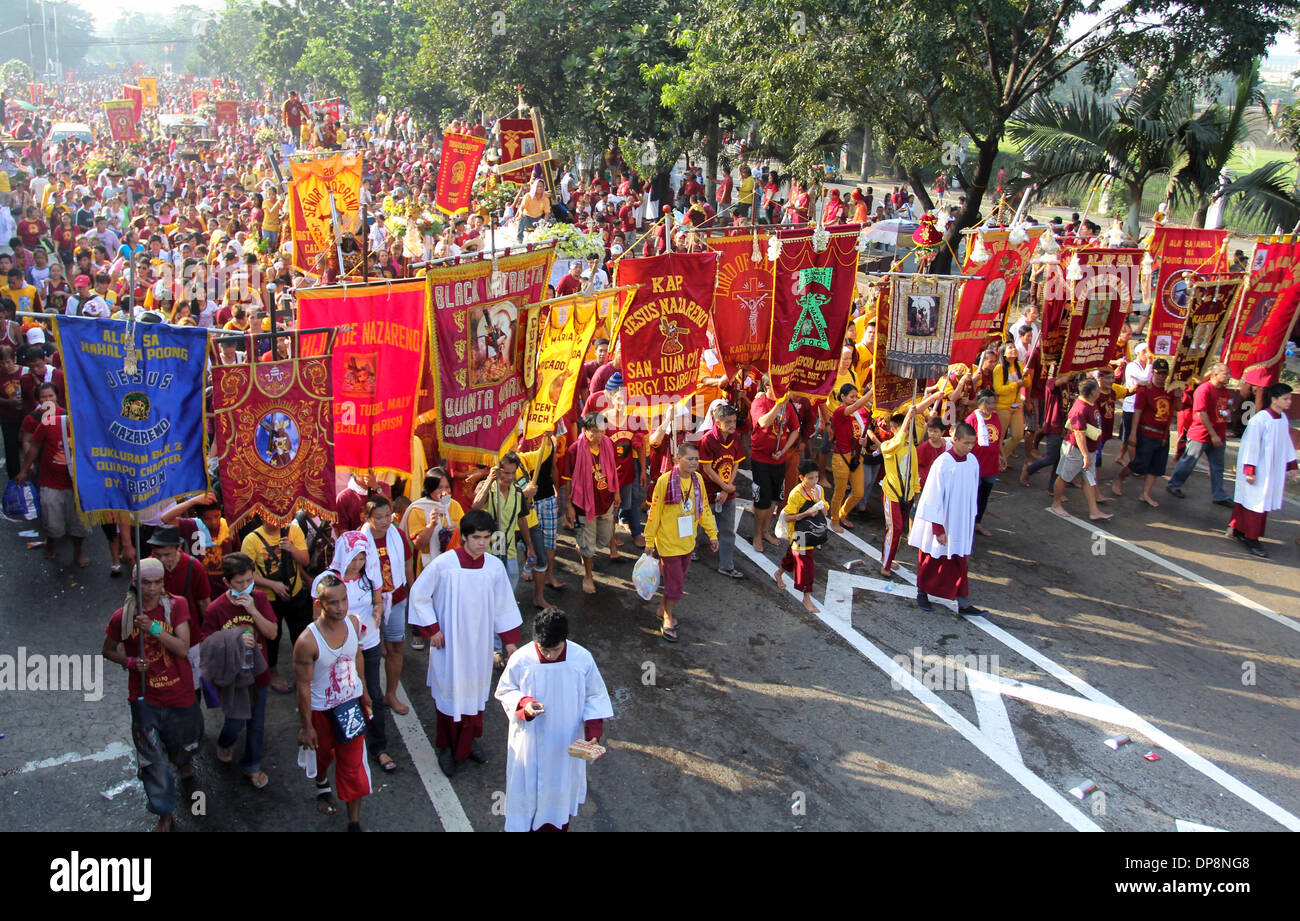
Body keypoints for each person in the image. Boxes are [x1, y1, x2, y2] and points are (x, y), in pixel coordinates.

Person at [409, 509, 523, 776]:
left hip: (479, 645)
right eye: (476, 538)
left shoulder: (494, 567)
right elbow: (419, 595)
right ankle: (447, 748)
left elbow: (504, 606)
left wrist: (509, 644)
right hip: (449, 646)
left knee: (473, 694)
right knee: (450, 696)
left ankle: (468, 742)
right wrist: (433, 629)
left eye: (486, 538)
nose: (482, 543)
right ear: (464, 538)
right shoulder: (444, 564)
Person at [101, 558, 199, 832]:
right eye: (146, 582)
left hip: (179, 692)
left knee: (187, 742)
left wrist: (154, 629)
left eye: (157, 582)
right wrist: (130, 663)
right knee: (152, 761)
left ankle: (183, 762)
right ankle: (164, 813)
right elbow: (107, 650)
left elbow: (182, 648)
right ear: (135, 582)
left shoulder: (177, 606)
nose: (152, 588)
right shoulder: (122, 616)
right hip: (144, 699)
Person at [495, 609, 614, 832]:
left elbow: (595, 696)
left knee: (557, 805)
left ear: (564, 639)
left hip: (564, 744)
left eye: (556, 649)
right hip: (529, 744)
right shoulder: (522, 659)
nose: (550, 655)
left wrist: (593, 733)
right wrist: (524, 704)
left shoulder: (582, 659)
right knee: (525, 801)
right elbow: (505, 690)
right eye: (544, 650)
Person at [295, 573, 372, 831]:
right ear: (320, 604)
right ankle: (321, 782)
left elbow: (357, 654)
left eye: (344, 600)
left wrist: (365, 691)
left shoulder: (352, 622)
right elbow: (303, 685)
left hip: (351, 707)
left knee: (352, 766)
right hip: (322, 712)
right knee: (323, 757)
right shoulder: (307, 641)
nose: (341, 608)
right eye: (333, 603)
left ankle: (354, 822)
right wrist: (307, 727)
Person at [201, 552, 278, 789]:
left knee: (256, 724)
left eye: (248, 581)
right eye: (239, 583)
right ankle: (225, 742)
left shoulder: (260, 599)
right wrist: (235, 639)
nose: (245, 587)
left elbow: (272, 633)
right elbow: (207, 643)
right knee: (235, 722)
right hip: (233, 678)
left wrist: (254, 611)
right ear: (227, 583)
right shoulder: (216, 609)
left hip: (258, 674)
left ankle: (252, 765)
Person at [643, 440, 718, 642]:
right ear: (677, 459)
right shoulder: (665, 481)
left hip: (688, 543)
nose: (694, 463)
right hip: (668, 544)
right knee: (675, 585)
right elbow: (654, 513)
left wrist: (712, 534)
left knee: (675, 582)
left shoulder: (698, 480)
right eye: (689, 459)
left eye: (696, 459)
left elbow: (704, 509)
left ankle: (662, 607)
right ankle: (667, 618)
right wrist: (649, 540)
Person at [908, 422, 985, 616]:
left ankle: (963, 602)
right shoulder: (943, 463)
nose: (969, 447)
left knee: (960, 560)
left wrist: (970, 519)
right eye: (966, 443)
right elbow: (933, 496)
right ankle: (922, 592)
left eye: (972, 443)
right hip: (942, 520)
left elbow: (972, 492)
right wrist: (938, 528)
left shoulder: (972, 461)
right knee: (931, 558)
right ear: (955, 439)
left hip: (960, 521)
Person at [15, 381, 88, 567]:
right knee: (53, 524)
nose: (48, 400)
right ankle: (52, 543)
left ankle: (78, 553)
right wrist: (24, 470)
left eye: (51, 396)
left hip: (77, 484)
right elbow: (34, 447)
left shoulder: (83, 423)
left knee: (78, 525)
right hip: (50, 483)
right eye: (44, 397)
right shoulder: (45, 422)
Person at [241, 516, 312, 693]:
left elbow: (305, 560)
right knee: (272, 637)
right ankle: (272, 671)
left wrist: (292, 548)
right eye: (268, 515)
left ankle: (302, 671)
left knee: (301, 633)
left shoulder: (292, 531)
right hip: (268, 599)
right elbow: (246, 573)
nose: (274, 520)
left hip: (295, 594)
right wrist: (272, 585)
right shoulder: (251, 540)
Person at [360, 495, 415, 716]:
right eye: (379, 517)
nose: (385, 521)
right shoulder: (359, 539)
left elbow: (407, 563)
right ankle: (366, 696)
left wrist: (414, 592)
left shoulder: (398, 534)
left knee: (395, 647)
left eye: (388, 516)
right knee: (366, 652)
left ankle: (391, 694)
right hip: (367, 604)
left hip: (397, 598)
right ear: (367, 518)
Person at [1228, 383, 1297, 558]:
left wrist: (1292, 467)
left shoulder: (1282, 419)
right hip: (1259, 469)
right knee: (1254, 502)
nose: (1289, 402)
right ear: (1274, 399)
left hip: (1273, 470)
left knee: (1260, 502)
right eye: (1285, 398)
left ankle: (1239, 531)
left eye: (1290, 398)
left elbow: (1287, 444)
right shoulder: (1260, 420)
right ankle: (1251, 539)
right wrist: (1250, 470)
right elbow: (1251, 445)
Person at [559, 413, 621, 595]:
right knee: (588, 546)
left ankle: (584, 546)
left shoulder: (608, 444)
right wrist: (568, 506)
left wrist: (616, 493)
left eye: (602, 431)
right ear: (584, 430)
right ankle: (588, 575)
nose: (599, 436)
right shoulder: (575, 450)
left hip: (606, 501)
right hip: (582, 505)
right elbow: (568, 480)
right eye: (594, 432)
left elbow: (613, 473)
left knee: (602, 540)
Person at [1164, 362, 1233, 506]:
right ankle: (1174, 484)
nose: (1228, 377)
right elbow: (1201, 413)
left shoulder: (1224, 391)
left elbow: (1224, 409)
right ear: (1215, 374)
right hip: (1201, 434)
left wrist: (1226, 416)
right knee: (1189, 461)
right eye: (1225, 374)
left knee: (1217, 466)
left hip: (1218, 434)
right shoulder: (1204, 389)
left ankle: (1219, 494)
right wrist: (1212, 434)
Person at [1111, 359, 1175, 508]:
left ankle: (1145, 493)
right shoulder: (1145, 389)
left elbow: (1177, 407)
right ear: (1153, 372)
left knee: (1156, 467)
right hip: (1146, 433)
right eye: (1159, 373)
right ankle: (1119, 478)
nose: (1161, 376)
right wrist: (1133, 434)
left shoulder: (1170, 390)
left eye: (1164, 373)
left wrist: (1179, 393)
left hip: (1163, 434)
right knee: (1139, 464)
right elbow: (1137, 412)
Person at [1049, 378, 1113, 521]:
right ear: (1092, 392)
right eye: (1097, 388)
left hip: (1089, 450)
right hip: (1075, 450)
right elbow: (1079, 434)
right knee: (1064, 477)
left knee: (1089, 479)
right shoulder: (1080, 409)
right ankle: (1056, 503)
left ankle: (1094, 511)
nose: (1099, 390)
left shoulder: (1091, 402)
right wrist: (1085, 456)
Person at [749, 376, 800, 550]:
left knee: (774, 498)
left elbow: (795, 429)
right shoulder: (760, 402)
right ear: (767, 385)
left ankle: (765, 531)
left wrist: (784, 450)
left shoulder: (788, 405)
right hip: (761, 459)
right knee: (762, 500)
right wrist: (779, 404)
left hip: (779, 459)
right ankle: (756, 535)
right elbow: (763, 422)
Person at [697, 402, 745, 578]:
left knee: (727, 529)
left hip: (727, 490)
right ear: (717, 423)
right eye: (728, 422)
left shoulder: (736, 438)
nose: (732, 425)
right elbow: (707, 469)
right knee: (701, 523)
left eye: (734, 421)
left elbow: (736, 463)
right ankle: (693, 550)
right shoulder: (707, 440)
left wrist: (727, 489)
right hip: (708, 490)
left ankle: (726, 565)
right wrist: (724, 486)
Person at [775, 460, 826, 612]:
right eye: (810, 478)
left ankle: (779, 573)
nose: (814, 481)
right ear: (801, 477)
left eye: (816, 477)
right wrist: (805, 514)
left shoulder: (819, 490)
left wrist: (818, 501)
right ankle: (807, 598)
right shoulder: (796, 494)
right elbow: (788, 517)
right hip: (799, 534)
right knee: (806, 564)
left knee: (793, 556)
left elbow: (826, 512)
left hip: (811, 532)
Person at [829, 382, 872, 533]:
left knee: (859, 492)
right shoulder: (840, 411)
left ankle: (842, 514)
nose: (855, 399)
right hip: (841, 457)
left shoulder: (856, 415)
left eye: (856, 396)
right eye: (851, 397)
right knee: (839, 491)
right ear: (842, 397)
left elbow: (860, 435)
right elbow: (855, 406)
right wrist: (871, 393)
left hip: (855, 457)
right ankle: (834, 520)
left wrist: (864, 441)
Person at [965, 388, 1004, 536]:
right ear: (980, 403)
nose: (991, 406)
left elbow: (998, 438)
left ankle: (978, 523)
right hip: (975, 466)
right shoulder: (972, 420)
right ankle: (967, 524)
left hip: (991, 464)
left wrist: (1002, 455)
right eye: (988, 403)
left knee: (984, 496)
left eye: (993, 403)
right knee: (971, 497)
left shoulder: (995, 416)